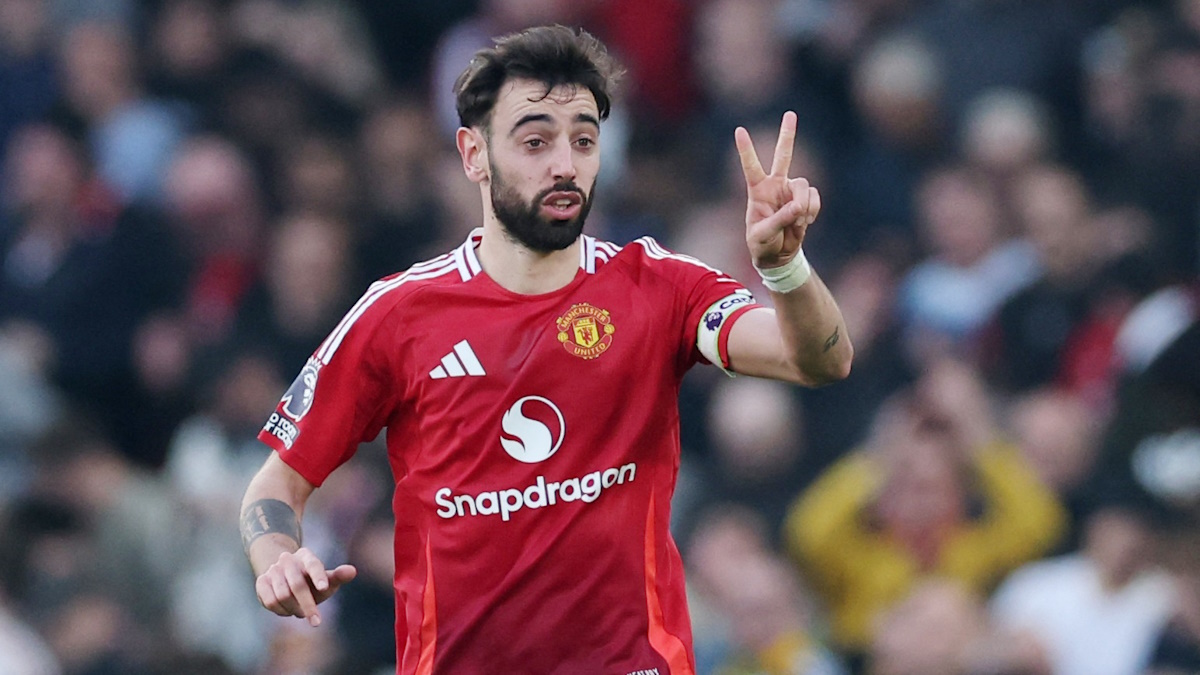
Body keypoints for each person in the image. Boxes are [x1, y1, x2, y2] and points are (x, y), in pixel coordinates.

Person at [239, 25, 852, 674]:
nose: (565, 164)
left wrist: (785, 269)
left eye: (583, 140)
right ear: (474, 154)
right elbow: (276, 484)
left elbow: (818, 358)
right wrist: (277, 558)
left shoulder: (659, 285)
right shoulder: (398, 314)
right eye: (535, 141)